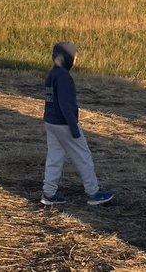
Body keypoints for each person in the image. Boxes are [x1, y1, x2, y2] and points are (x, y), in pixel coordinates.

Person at [40, 41, 113, 206]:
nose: (76, 60)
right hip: (65, 124)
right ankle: (93, 193)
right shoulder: (64, 77)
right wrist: (74, 127)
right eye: (75, 56)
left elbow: (50, 100)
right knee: (83, 156)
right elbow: (66, 104)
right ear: (67, 57)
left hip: (51, 122)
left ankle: (49, 194)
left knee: (54, 158)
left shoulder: (52, 75)